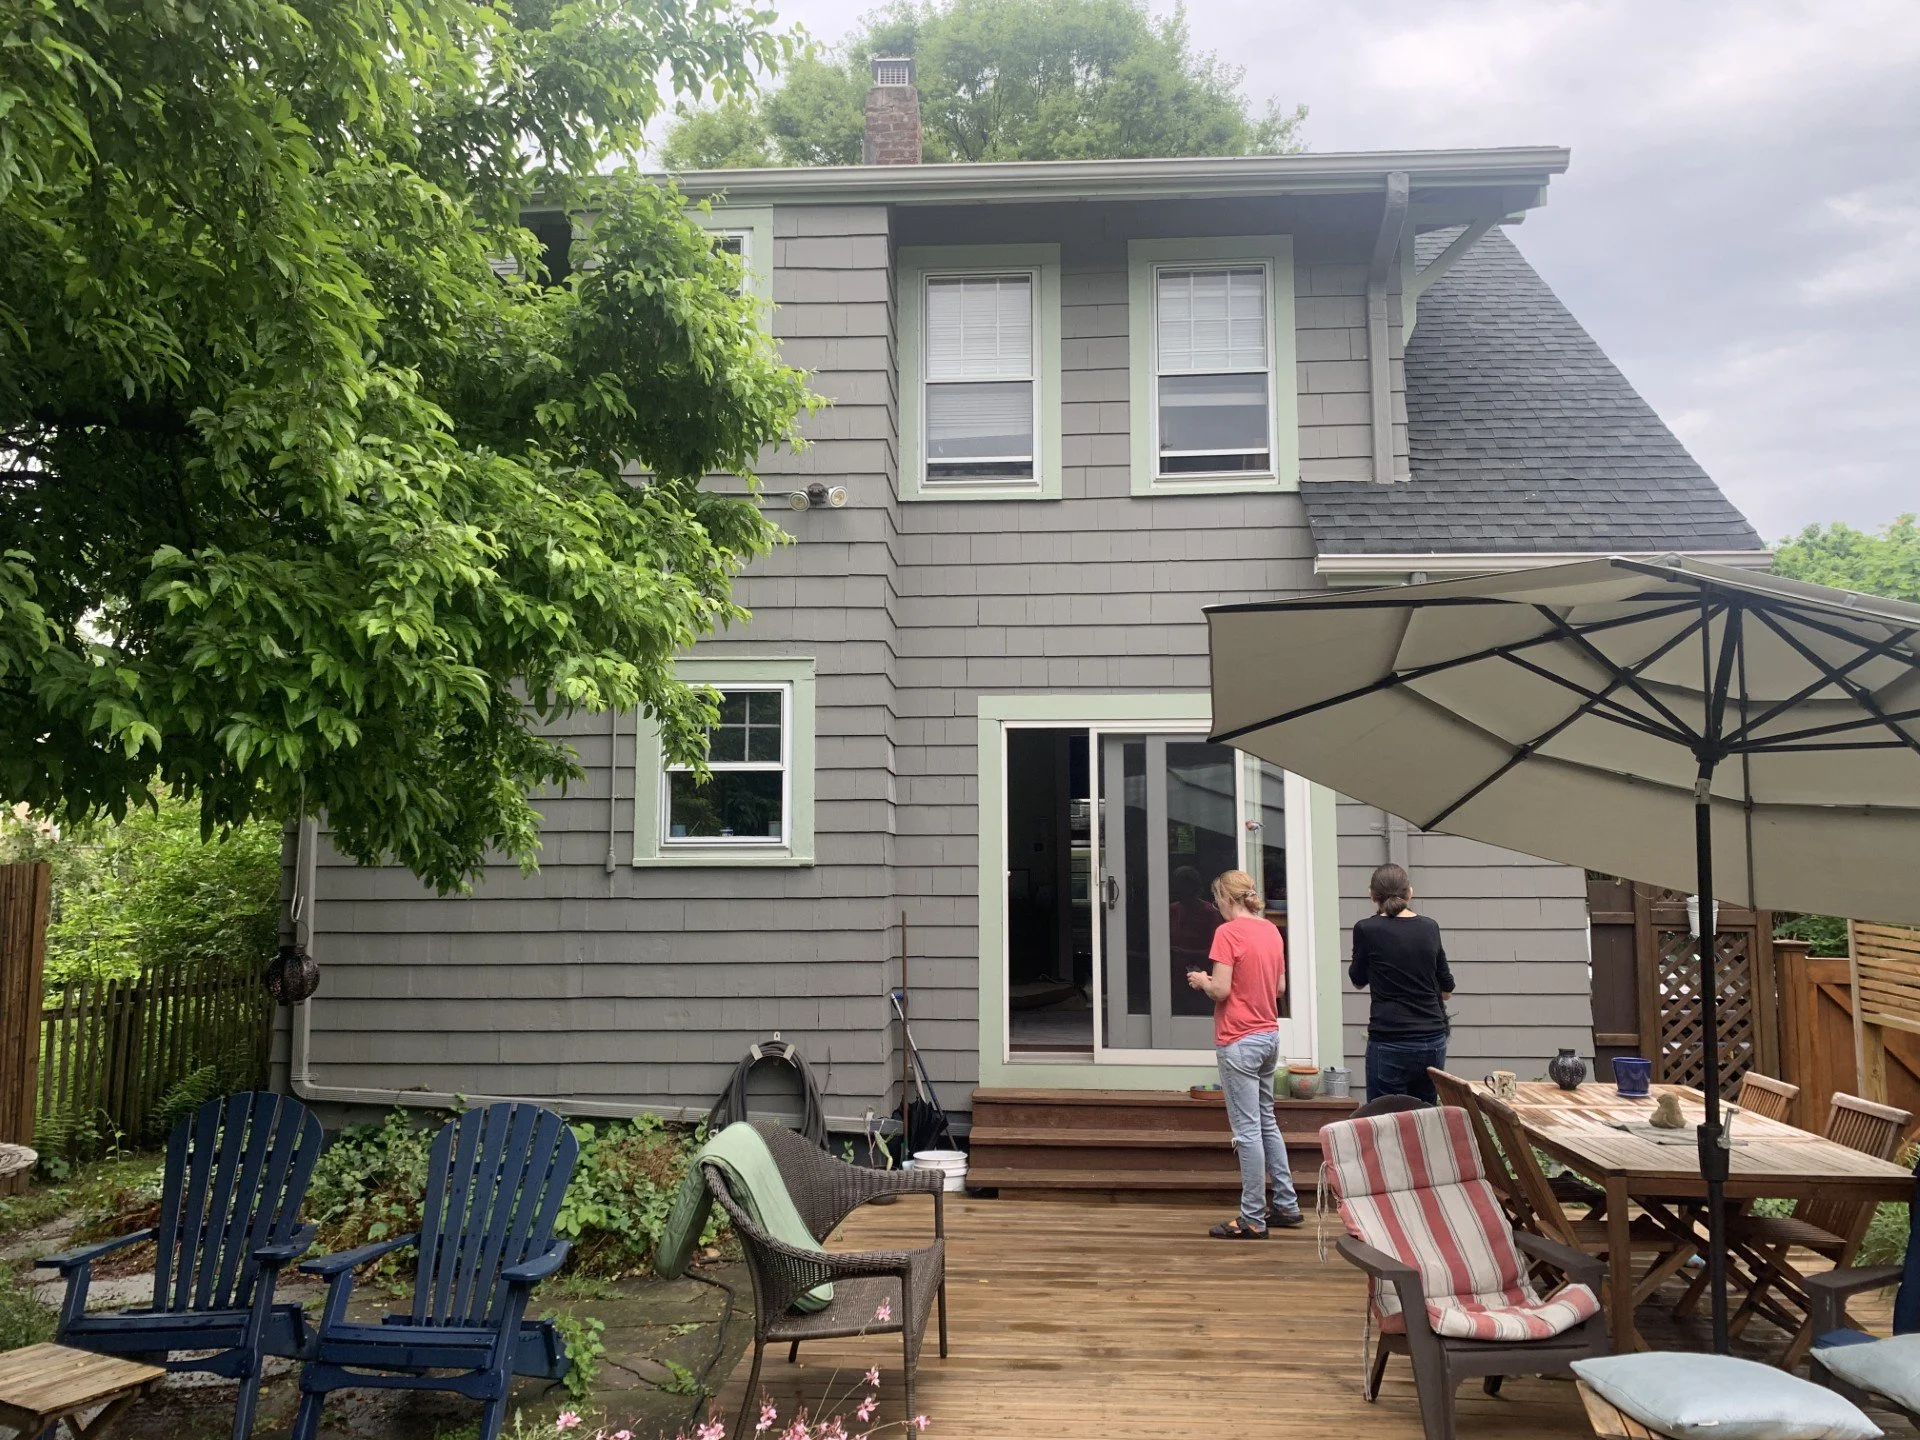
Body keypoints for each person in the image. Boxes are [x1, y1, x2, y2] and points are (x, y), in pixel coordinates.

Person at [1185, 869, 1300, 1238]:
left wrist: (1202, 980)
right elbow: (1280, 986)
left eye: (1218, 899)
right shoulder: (1270, 930)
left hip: (1238, 1039)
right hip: (1268, 1036)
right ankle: (1286, 1204)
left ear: (1227, 898)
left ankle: (1252, 1217)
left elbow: (1221, 990)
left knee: (1247, 1131)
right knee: (1267, 1123)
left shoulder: (1227, 932)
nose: (1216, 906)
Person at [1349, 862, 1454, 1104]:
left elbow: (1357, 980)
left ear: (1371, 895)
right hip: (1432, 1040)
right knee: (1424, 1118)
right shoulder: (1430, 927)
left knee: (1384, 1120)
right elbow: (1446, 985)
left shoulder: (1366, 929)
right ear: (1410, 892)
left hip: (1389, 1039)